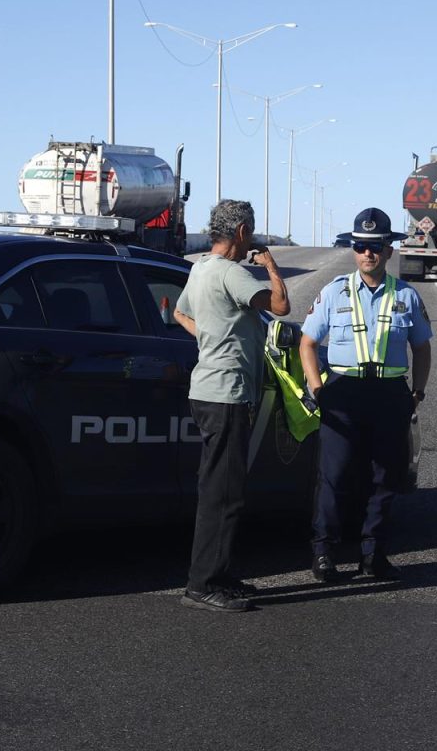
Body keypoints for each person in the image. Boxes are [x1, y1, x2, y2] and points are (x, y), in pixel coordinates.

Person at [299, 207, 432, 584]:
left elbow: (421, 348)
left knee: (385, 478)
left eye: (375, 247)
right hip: (343, 392)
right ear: (353, 249)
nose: (367, 254)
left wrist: (417, 393)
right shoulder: (333, 291)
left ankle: (373, 555)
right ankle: (324, 553)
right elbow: (307, 344)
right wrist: (318, 388)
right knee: (334, 475)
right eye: (360, 246)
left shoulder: (406, 295)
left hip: (390, 394)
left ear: (389, 250)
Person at [172, 199, 289, 612]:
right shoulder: (230, 272)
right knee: (222, 493)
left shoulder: (200, 268)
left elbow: (180, 314)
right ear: (241, 232)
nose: (253, 240)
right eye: (251, 232)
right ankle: (202, 584)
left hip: (207, 389)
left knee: (224, 488)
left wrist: (211, 339)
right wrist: (271, 266)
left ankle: (219, 574)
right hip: (227, 392)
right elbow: (280, 306)